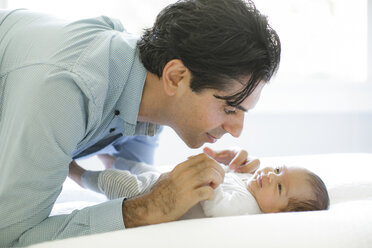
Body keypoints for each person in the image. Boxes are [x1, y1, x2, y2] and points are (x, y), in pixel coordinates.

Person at [0, 0, 280, 246]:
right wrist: (144, 210)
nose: (238, 130)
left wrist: (226, 181)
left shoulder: (145, 91)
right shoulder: (66, 91)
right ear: (176, 77)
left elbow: (130, 180)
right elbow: (12, 236)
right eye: (229, 108)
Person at [68, 153, 329, 219]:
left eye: (280, 187)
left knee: (122, 183)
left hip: (152, 195)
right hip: (166, 180)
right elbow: (232, 174)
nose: (271, 176)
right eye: (278, 169)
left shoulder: (245, 208)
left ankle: (76, 172)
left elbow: (217, 207)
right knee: (143, 167)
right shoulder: (252, 186)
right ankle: (110, 157)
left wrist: (212, 178)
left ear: (279, 214)